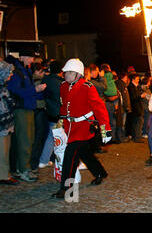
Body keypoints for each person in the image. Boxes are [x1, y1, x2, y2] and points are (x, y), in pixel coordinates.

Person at [52, 58, 111, 199]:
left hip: (83, 127)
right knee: (85, 154)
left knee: (70, 157)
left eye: (70, 72)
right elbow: (64, 106)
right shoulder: (64, 86)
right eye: (66, 72)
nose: (66, 75)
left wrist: (105, 130)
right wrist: (61, 120)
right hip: (70, 127)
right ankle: (99, 173)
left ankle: (67, 188)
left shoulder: (87, 87)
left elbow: (100, 108)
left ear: (78, 74)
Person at [7, 47, 46, 182]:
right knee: (25, 141)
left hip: (28, 108)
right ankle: (24, 170)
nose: (32, 60)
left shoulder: (24, 70)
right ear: (23, 57)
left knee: (26, 140)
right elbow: (16, 91)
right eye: (30, 57)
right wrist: (35, 89)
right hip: (21, 109)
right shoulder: (18, 71)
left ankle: (20, 168)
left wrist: (38, 92)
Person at [39, 60, 64, 168]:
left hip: (49, 111)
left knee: (51, 136)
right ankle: (66, 161)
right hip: (59, 112)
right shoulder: (60, 83)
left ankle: (44, 160)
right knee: (62, 137)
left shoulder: (46, 79)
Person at [0, 60, 18, 185]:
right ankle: (3, 175)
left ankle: (5, 173)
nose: (10, 75)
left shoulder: (3, 86)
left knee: (6, 149)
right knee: (3, 150)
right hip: (2, 125)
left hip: (6, 124)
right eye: (8, 73)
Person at [29, 63, 48, 176]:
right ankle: (34, 163)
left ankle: (34, 162)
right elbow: (39, 95)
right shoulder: (37, 82)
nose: (43, 74)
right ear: (35, 71)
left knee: (37, 137)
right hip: (39, 110)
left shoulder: (31, 80)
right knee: (38, 137)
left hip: (36, 110)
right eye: (41, 71)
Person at [101, 64, 119, 144]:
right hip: (109, 102)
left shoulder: (102, 78)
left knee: (106, 122)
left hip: (109, 101)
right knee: (111, 121)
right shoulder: (111, 77)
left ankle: (106, 139)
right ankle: (111, 138)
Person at [127, 73, 147, 143]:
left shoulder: (136, 86)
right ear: (133, 79)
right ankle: (137, 137)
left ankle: (135, 137)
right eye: (137, 79)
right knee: (139, 121)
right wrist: (141, 96)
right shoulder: (131, 87)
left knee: (137, 122)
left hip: (137, 107)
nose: (138, 80)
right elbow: (133, 97)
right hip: (135, 107)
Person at [114, 72, 131, 143]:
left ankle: (118, 137)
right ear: (124, 77)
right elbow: (124, 97)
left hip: (120, 106)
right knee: (121, 123)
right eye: (126, 78)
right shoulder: (122, 85)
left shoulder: (117, 84)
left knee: (118, 123)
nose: (127, 79)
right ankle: (121, 138)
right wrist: (127, 107)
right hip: (122, 107)